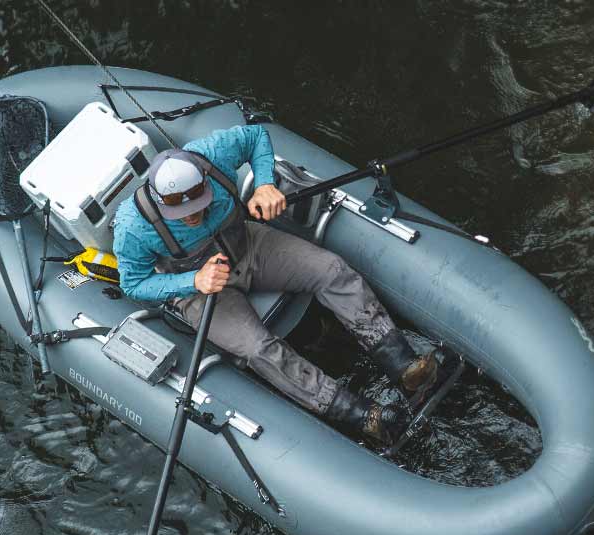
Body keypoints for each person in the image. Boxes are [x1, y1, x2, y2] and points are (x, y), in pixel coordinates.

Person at [113, 125, 441, 444]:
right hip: (200, 291)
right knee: (258, 349)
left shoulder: (210, 154)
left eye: (198, 204)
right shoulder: (132, 226)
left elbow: (257, 135)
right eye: (181, 212)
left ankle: (403, 364)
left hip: (248, 246)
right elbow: (134, 283)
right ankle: (362, 415)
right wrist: (193, 280)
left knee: (331, 269)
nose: (191, 216)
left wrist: (265, 184)